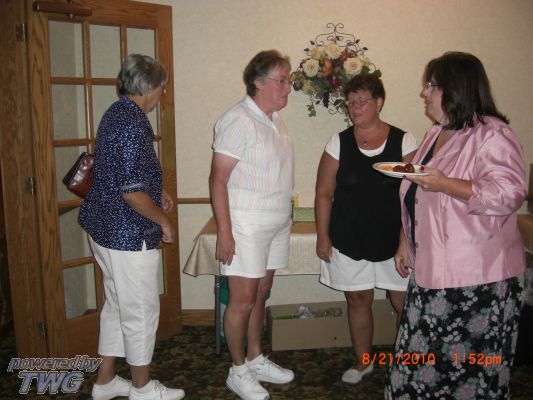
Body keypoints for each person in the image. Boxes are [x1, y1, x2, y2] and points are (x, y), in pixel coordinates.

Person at [385, 51, 526, 399]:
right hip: (431, 270)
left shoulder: (493, 134)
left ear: (456, 88)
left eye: (432, 86)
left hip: (479, 281)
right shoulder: (436, 133)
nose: (424, 93)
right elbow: (416, 193)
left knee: (469, 375)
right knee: (415, 369)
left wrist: (447, 184)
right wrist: (405, 240)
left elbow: (510, 194)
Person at [79, 54, 184, 400]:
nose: (163, 93)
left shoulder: (117, 113)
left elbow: (125, 175)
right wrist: (163, 220)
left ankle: (106, 381)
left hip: (106, 228)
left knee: (116, 307)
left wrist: (157, 192)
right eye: (162, 87)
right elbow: (131, 191)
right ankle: (142, 388)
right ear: (149, 87)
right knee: (140, 312)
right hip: (127, 234)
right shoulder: (133, 124)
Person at [315, 73, 417, 384]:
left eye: (362, 101)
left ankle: (406, 366)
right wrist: (323, 236)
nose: (355, 107)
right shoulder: (338, 142)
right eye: (351, 102)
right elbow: (324, 193)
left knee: (402, 302)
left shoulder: (404, 141)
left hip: (395, 240)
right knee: (358, 299)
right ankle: (363, 363)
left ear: (379, 102)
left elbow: (415, 195)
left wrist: (407, 240)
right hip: (349, 236)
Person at [209, 50, 295, 400]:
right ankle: (238, 369)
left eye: (289, 80)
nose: (288, 87)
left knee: (261, 291)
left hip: (276, 221)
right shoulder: (238, 120)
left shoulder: (275, 120)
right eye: (282, 80)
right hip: (246, 223)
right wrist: (225, 232)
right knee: (242, 299)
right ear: (258, 83)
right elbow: (218, 179)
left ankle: (256, 357)